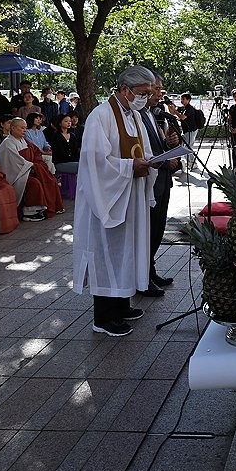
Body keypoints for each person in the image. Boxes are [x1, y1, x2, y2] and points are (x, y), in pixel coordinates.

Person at [71, 65, 160, 337]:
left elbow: (142, 150)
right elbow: (95, 161)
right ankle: (104, 317)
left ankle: (121, 304)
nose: (146, 97)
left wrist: (151, 163)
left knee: (125, 252)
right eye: (142, 92)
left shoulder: (132, 115)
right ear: (124, 89)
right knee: (106, 253)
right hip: (107, 196)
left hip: (129, 194)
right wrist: (131, 167)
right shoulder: (101, 116)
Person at [139, 71, 180, 293]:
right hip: (151, 182)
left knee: (158, 229)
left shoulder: (154, 114)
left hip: (163, 181)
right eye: (156, 89)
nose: (159, 94)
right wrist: (166, 162)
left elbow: (158, 146)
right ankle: (143, 278)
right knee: (149, 230)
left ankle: (150, 271)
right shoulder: (137, 115)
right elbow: (143, 153)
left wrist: (170, 143)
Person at [0, 117, 63, 220]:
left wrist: (37, 165)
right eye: (22, 128)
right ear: (13, 128)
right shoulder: (7, 143)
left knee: (50, 179)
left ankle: (47, 207)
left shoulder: (24, 141)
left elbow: (36, 152)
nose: (24, 130)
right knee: (34, 183)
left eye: (25, 128)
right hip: (16, 175)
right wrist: (33, 166)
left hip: (28, 170)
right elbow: (15, 162)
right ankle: (29, 212)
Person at [175, 93, 203, 171]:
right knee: (185, 146)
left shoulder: (189, 109)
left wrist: (176, 112)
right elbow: (174, 112)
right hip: (187, 131)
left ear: (188, 100)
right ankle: (190, 162)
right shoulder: (184, 108)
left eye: (183, 99)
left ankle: (193, 163)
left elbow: (182, 117)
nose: (181, 101)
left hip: (191, 130)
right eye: (181, 99)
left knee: (188, 147)